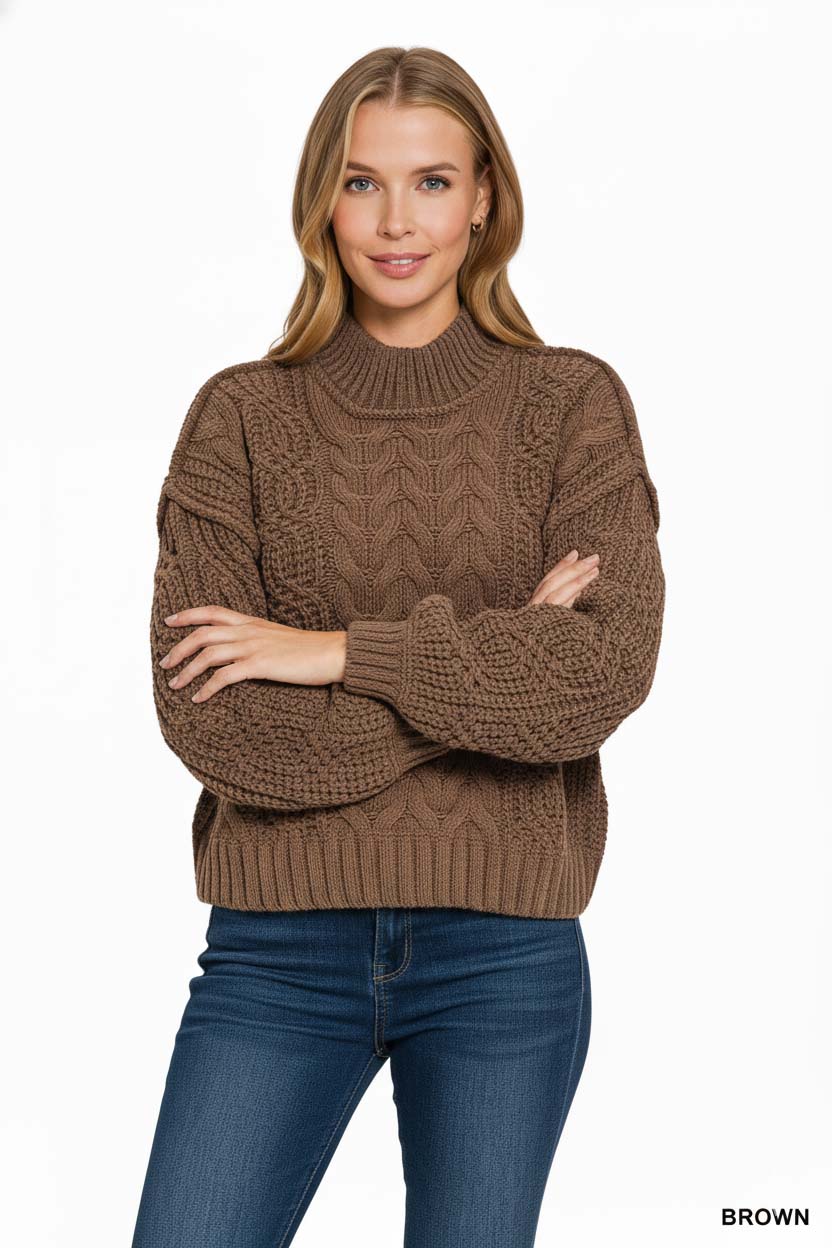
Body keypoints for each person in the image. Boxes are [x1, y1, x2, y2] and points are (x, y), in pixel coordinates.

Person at [132, 45, 665, 1248]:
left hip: (502, 952)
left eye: (431, 181)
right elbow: (222, 730)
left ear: (483, 198)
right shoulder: (241, 417)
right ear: (321, 200)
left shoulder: (571, 406)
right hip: (277, 952)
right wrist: (499, 662)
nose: (395, 221)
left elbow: (598, 676)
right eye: (361, 182)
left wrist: (331, 653)